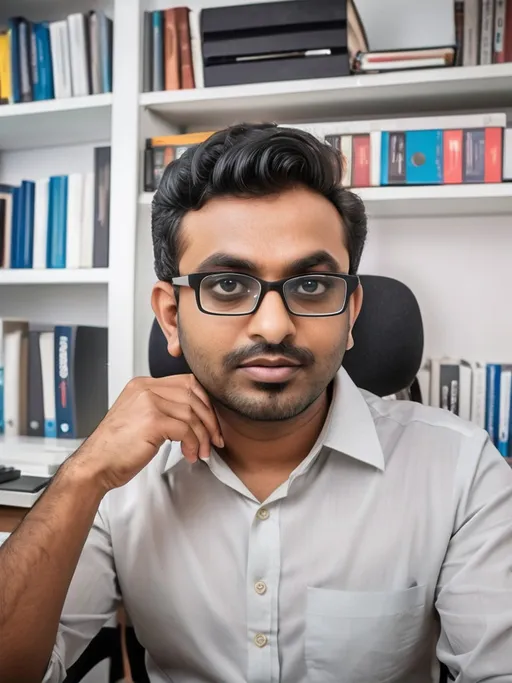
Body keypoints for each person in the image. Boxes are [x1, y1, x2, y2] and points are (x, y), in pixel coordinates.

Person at [0, 123, 511, 683]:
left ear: (352, 312)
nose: (274, 326)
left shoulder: (461, 471)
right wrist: (80, 479)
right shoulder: (118, 479)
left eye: (312, 286)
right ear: (171, 316)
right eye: (226, 285)